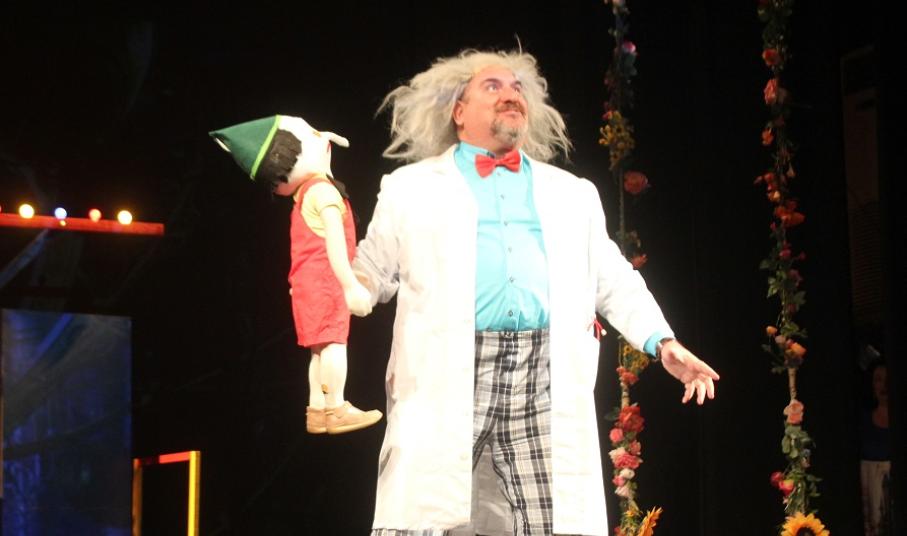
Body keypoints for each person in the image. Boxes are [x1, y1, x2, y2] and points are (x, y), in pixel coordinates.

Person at [352, 49, 719, 536]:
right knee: (420, 518)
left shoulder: (572, 193)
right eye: (492, 86)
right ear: (458, 112)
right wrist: (329, 274)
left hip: (542, 373)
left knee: (556, 523)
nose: (511, 95)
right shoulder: (410, 188)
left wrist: (662, 341)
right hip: (450, 367)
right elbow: (369, 273)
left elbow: (612, 276)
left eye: (517, 88)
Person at [210, 115, 382, 434]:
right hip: (326, 282)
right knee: (333, 344)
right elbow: (333, 243)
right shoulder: (323, 192)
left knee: (319, 349)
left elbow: (303, 246)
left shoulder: (302, 197)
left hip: (306, 284)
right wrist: (350, 285)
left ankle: (317, 408)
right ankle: (336, 407)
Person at [860, 359, 891, 536]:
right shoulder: (863, 421)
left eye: (887, 379)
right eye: (878, 379)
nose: (884, 385)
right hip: (872, 494)